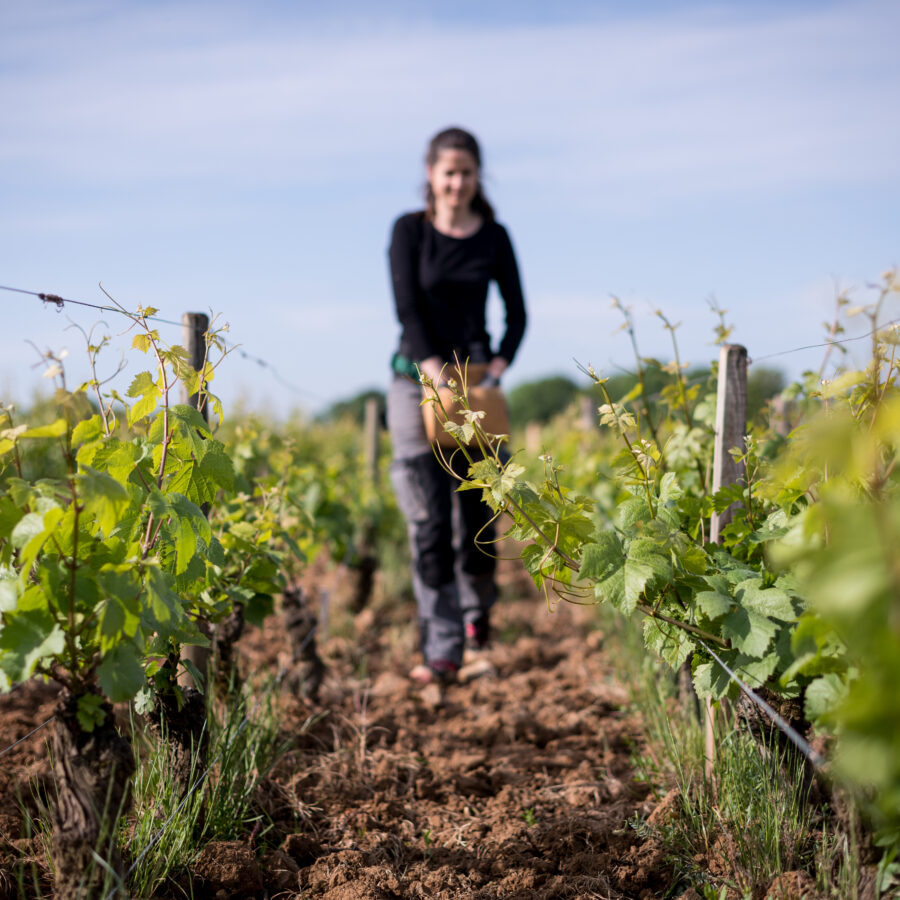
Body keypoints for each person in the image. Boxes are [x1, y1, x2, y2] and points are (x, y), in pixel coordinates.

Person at [386, 126, 527, 686]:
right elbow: (408, 312)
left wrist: (494, 369)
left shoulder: (494, 236)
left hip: (477, 390)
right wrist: (435, 377)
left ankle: (477, 625)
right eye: (448, 172)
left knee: (478, 514)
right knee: (426, 518)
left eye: (466, 172)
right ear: (431, 174)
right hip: (413, 382)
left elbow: (518, 316)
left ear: (477, 177)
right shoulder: (408, 232)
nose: (457, 182)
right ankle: (440, 644)